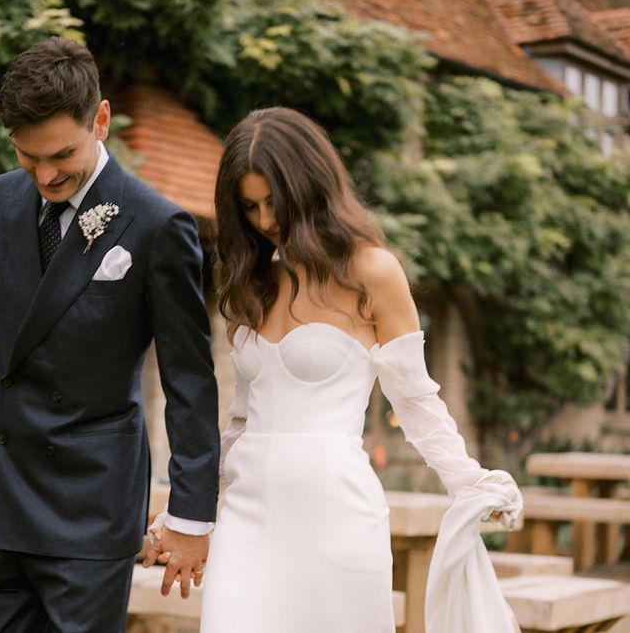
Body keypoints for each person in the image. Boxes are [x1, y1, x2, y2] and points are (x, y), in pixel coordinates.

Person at [0, 37, 220, 633]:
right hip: (3, 495)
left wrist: (191, 515)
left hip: (92, 504)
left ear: (100, 119)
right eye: (29, 157)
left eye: (61, 155)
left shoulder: (160, 225)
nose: (46, 175)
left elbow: (188, 377)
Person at [145, 107, 522, 632]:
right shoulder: (255, 279)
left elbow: (414, 401)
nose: (264, 221)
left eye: (274, 202)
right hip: (245, 524)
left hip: (335, 519)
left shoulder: (372, 271)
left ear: (310, 186)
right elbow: (239, 423)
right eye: (249, 207)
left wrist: (469, 482)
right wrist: (191, 512)